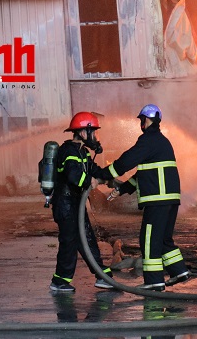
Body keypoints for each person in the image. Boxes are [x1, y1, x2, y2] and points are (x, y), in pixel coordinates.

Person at [95, 104, 190, 292]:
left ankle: (154, 280)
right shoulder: (162, 142)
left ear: (146, 120)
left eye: (141, 120)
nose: (141, 124)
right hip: (169, 200)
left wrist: (103, 175)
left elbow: (126, 161)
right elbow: (142, 174)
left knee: (148, 240)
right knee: (163, 239)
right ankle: (179, 271)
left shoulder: (148, 140)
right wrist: (121, 189)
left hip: (157, 200)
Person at [48, 111, 115, 293]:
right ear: (84, 132)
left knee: (87, 239)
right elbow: (73, 174)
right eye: (94, 132)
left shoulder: (82, 152)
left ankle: (102, 276)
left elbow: (95, 170)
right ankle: (59, 281)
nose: (96, 136)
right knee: (69, 241)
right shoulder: (68, 151)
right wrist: (89, 181)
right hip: (65, 204)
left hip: (75, 204)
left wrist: (112, 176)